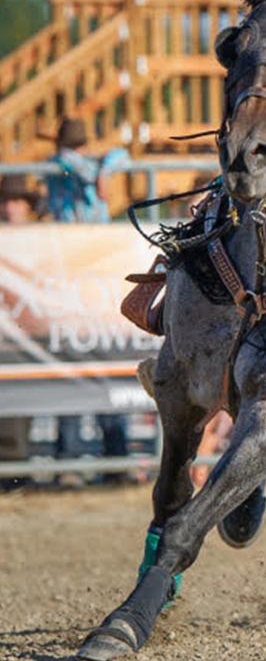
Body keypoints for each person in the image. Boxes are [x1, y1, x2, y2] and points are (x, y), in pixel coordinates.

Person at [41, 118, 134, 479]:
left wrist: (104, 170)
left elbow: (120, 156)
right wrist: (102, 171)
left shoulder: (79, 164)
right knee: (84, 360)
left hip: (88, 277)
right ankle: (79, 457)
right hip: (76, 276)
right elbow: (75, 162)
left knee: (93, 361)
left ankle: (110, 456)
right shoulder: (65, 163)